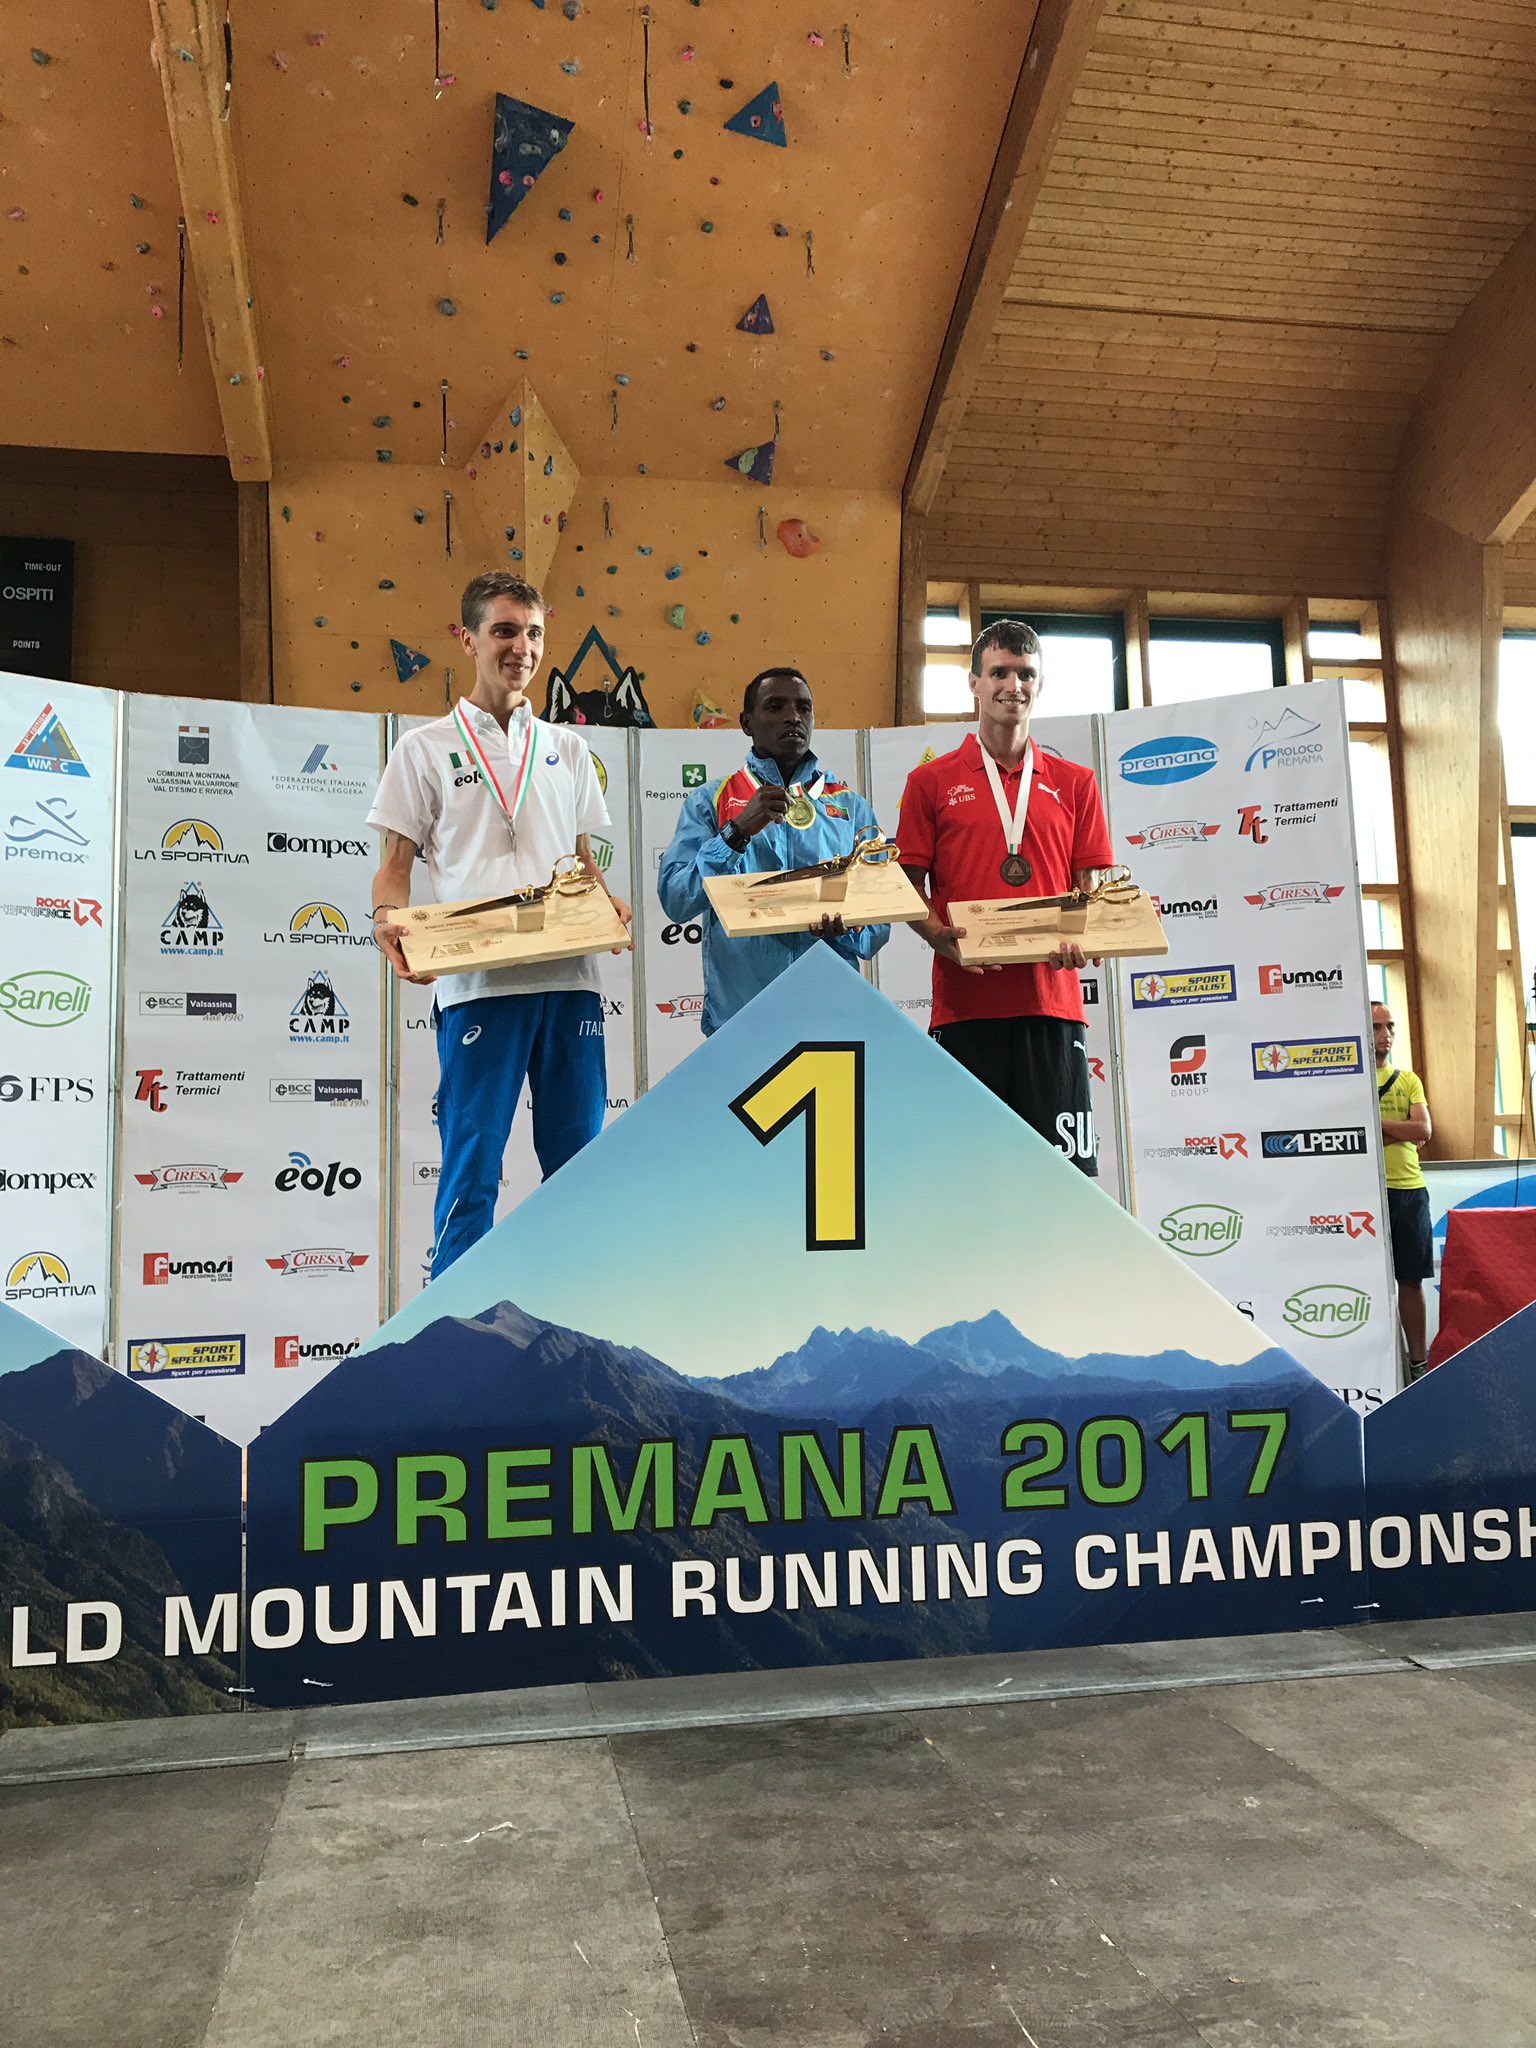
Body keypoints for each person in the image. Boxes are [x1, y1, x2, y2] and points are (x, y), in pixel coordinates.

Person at [368, 572, 631, 1277]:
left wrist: (607, 904)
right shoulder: (422, 749)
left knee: (579, 1166)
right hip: (479, 986)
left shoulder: (568, 749)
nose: (522, 648)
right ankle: (452, 1318)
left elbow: (581, 862)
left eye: (534, 633)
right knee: (473, 1166)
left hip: (570, 982)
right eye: (505, 631)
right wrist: (386, 919)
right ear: (468, 639)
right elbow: (394, 867)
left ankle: (576, 1306)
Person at [897, 620, 1112, 1174]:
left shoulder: (1077, 783)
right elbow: (906, 884)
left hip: (1051, 1005)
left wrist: (1083, 937)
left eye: (1025, 674)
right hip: (965, 1007)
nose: (1012, 685)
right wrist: (938, 937)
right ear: (974, 682)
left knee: (1061, 1183)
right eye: (999, 672)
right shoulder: (930, 783)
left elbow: (1089, 890)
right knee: (967, 1177)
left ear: (1040, 685)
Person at [658, 667, 890, 1035]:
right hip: (742, 1021)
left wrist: (849, 928)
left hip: (831, 1020)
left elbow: (879, 923)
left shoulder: (850, 807)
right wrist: (736, 833)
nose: (793, 717)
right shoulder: (711, 801)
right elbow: (676, 899)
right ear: (747, 723)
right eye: (775, 707)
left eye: (803, 708)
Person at [1372, 1000, 1433, 1380]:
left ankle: (1419, 1363)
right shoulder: (1348, 1078)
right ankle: (1377, 1367)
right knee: (1368, 1280)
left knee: (1411, 1279)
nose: (1387, 1034)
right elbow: (1356, 1134)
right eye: (1377, 1027)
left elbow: (1424, 1130)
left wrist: (1380, 1125)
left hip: (1409, 1189)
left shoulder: (1408, 1079)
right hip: (1364, 1192)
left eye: (1390, 1026)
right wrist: (1402, 1129)